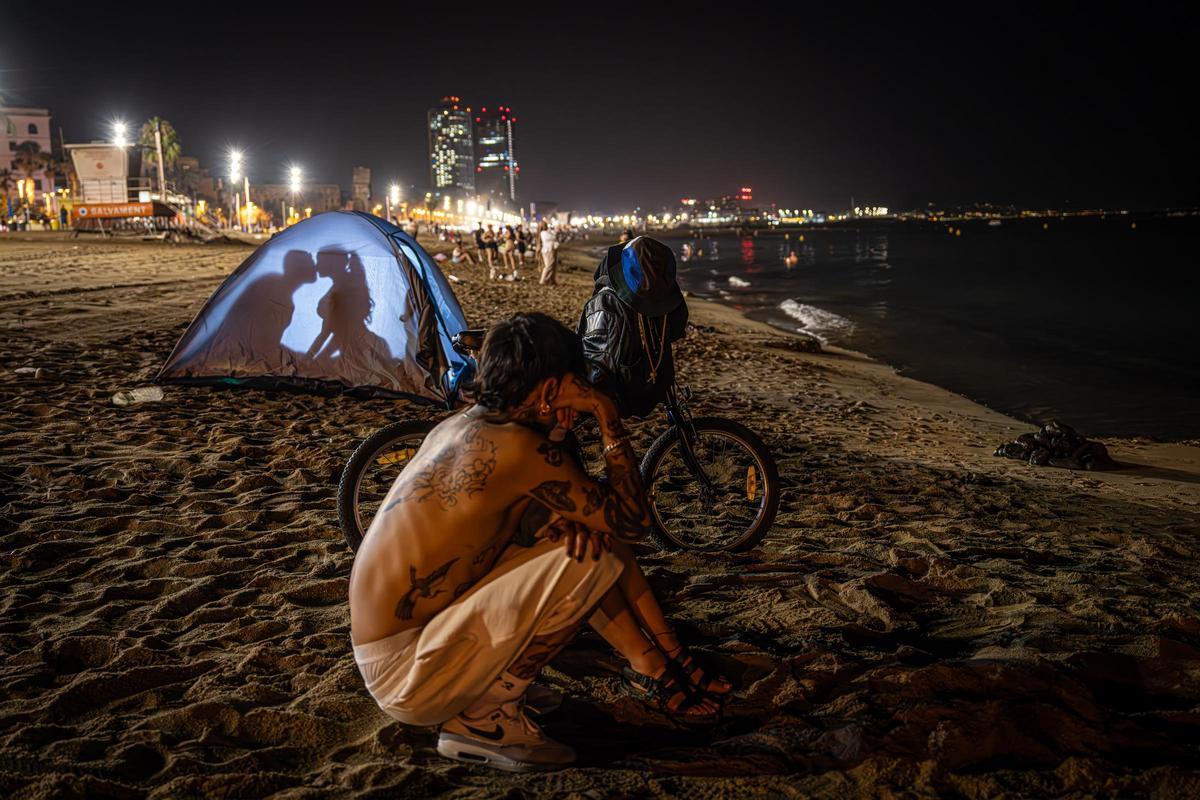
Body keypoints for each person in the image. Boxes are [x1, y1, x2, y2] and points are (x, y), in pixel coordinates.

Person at [349, 313, 729, 772]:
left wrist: (556, 435)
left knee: (580, 536)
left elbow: (575, 527)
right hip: (409, 677)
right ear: (551, 389)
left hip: (393, 653)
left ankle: (658, 664)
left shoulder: (458, 428)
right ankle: (486, 717)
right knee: (585, 557)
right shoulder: (520, 451)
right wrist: (606, 415)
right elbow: (632, 522)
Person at [578, 236, 689, 419]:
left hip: (637, 386)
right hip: (630, 390)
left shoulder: (620, 282)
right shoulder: (606, 303)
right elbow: (598, 363)